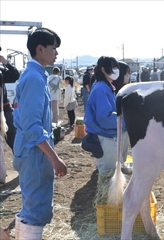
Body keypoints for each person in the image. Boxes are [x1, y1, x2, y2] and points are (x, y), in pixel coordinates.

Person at [13, 27, 67, 239]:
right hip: (33, 152)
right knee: (36, 211)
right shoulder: (35, 79)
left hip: (30, 150)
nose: (56, 53)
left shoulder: (34, 75)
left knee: (30, 208)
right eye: (54, 48)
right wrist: (55, 158)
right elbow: (33, 126)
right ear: (40, 49)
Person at [84, 56, 129, 173]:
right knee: (110, 173)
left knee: (114, 172)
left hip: (110, 136)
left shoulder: (106, 86)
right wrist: (125, 121)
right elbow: (105, 118)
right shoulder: (101, 89)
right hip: (107, 137)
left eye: (116, 68)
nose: (116, 71)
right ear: (103, 70)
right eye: (113, 68)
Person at [0, 47, 20, 152]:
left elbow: (15, 75)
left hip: (5, 109)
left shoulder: (1, 71)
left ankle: (21, 162)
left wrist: (6, 62)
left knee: (14, 139)